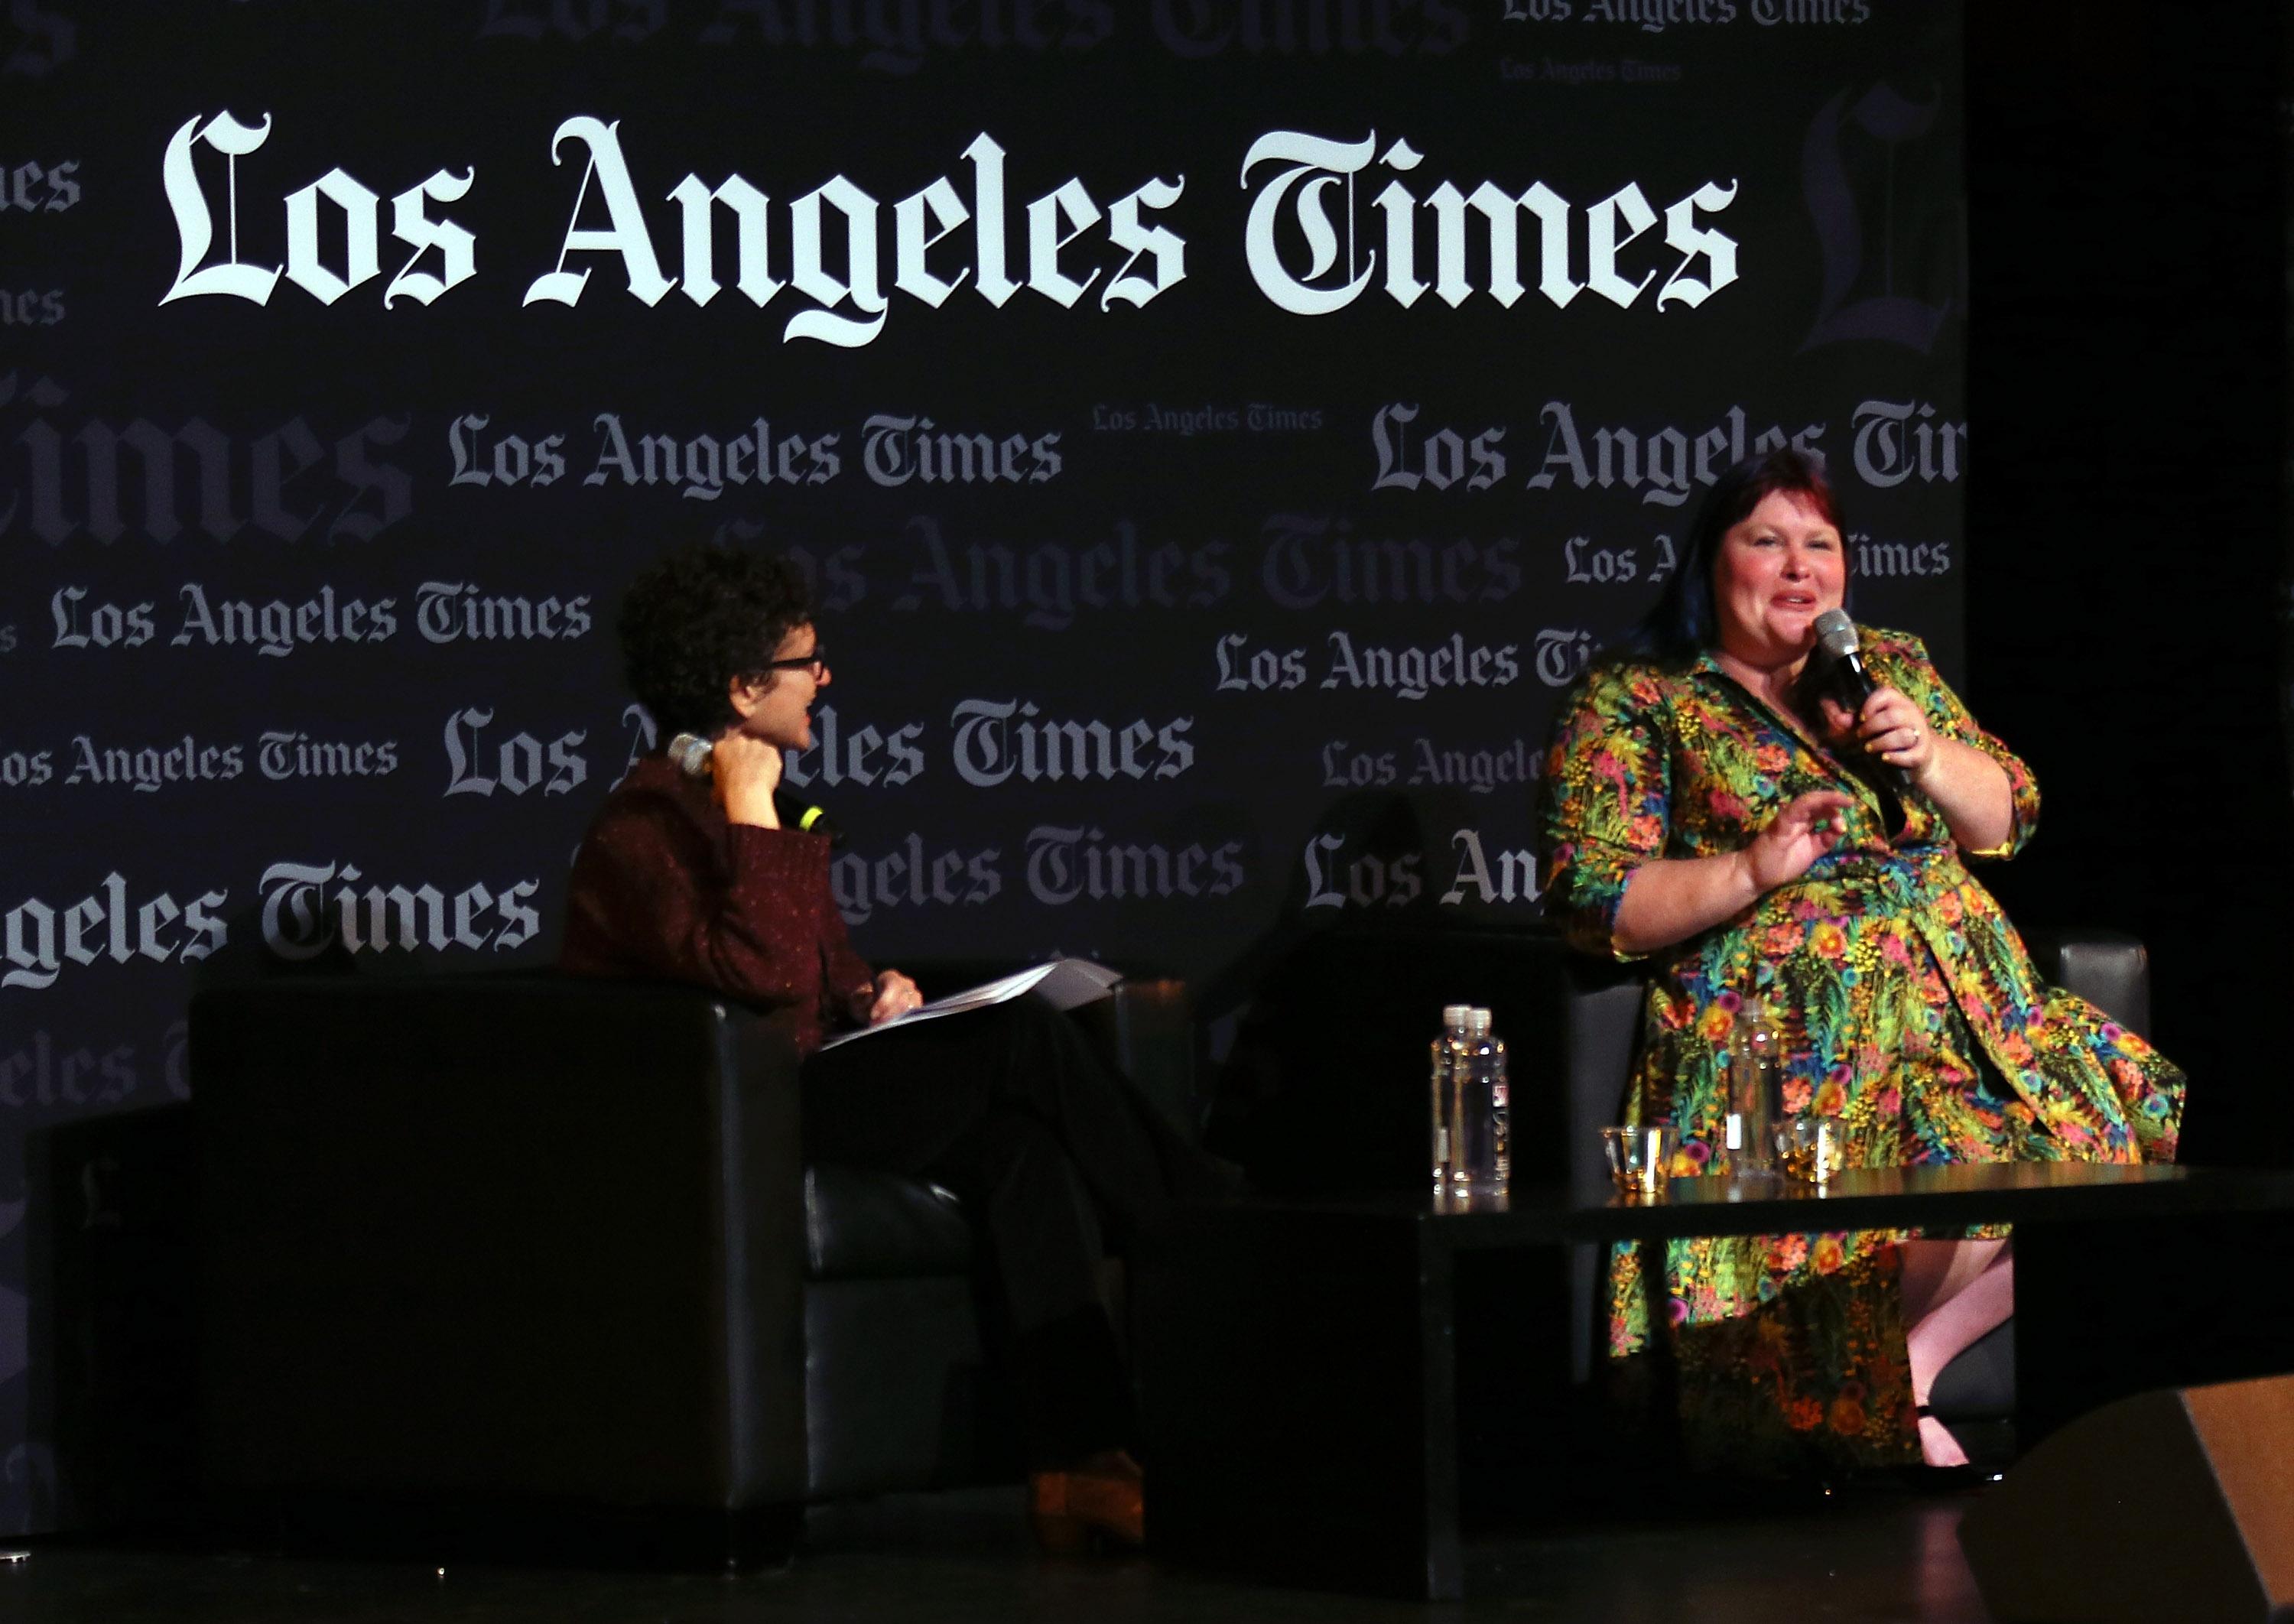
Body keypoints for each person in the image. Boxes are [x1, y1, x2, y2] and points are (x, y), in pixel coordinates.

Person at [1535, 449, 2185, 1473]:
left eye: (1820, 545)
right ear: (1711, 561)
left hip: (1972, 1010)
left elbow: (2007, 812)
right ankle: (1880, 1397)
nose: (1799, 568)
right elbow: (1595, 895)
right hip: (1782, 1033)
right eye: (1767, 541)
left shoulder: (1888, 665)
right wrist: (1757, 864)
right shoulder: (1641, 696)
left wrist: (1928, 755)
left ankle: (1909, 1369)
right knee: (1872, 1192)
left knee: (2089, 1147)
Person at [561, 542, 1220, 1549]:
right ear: (742, 689)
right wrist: (748, 807)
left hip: (807, 1086)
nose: (825, 678)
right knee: (1020, 1041)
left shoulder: (749, 805)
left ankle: (1079, 1462)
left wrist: (874, 993)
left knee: (1021, 1149)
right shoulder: (643, 827)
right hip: (732, 1128)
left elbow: (810, 972)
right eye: (803, 662)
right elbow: (766, 978)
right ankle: (1220, 1233)